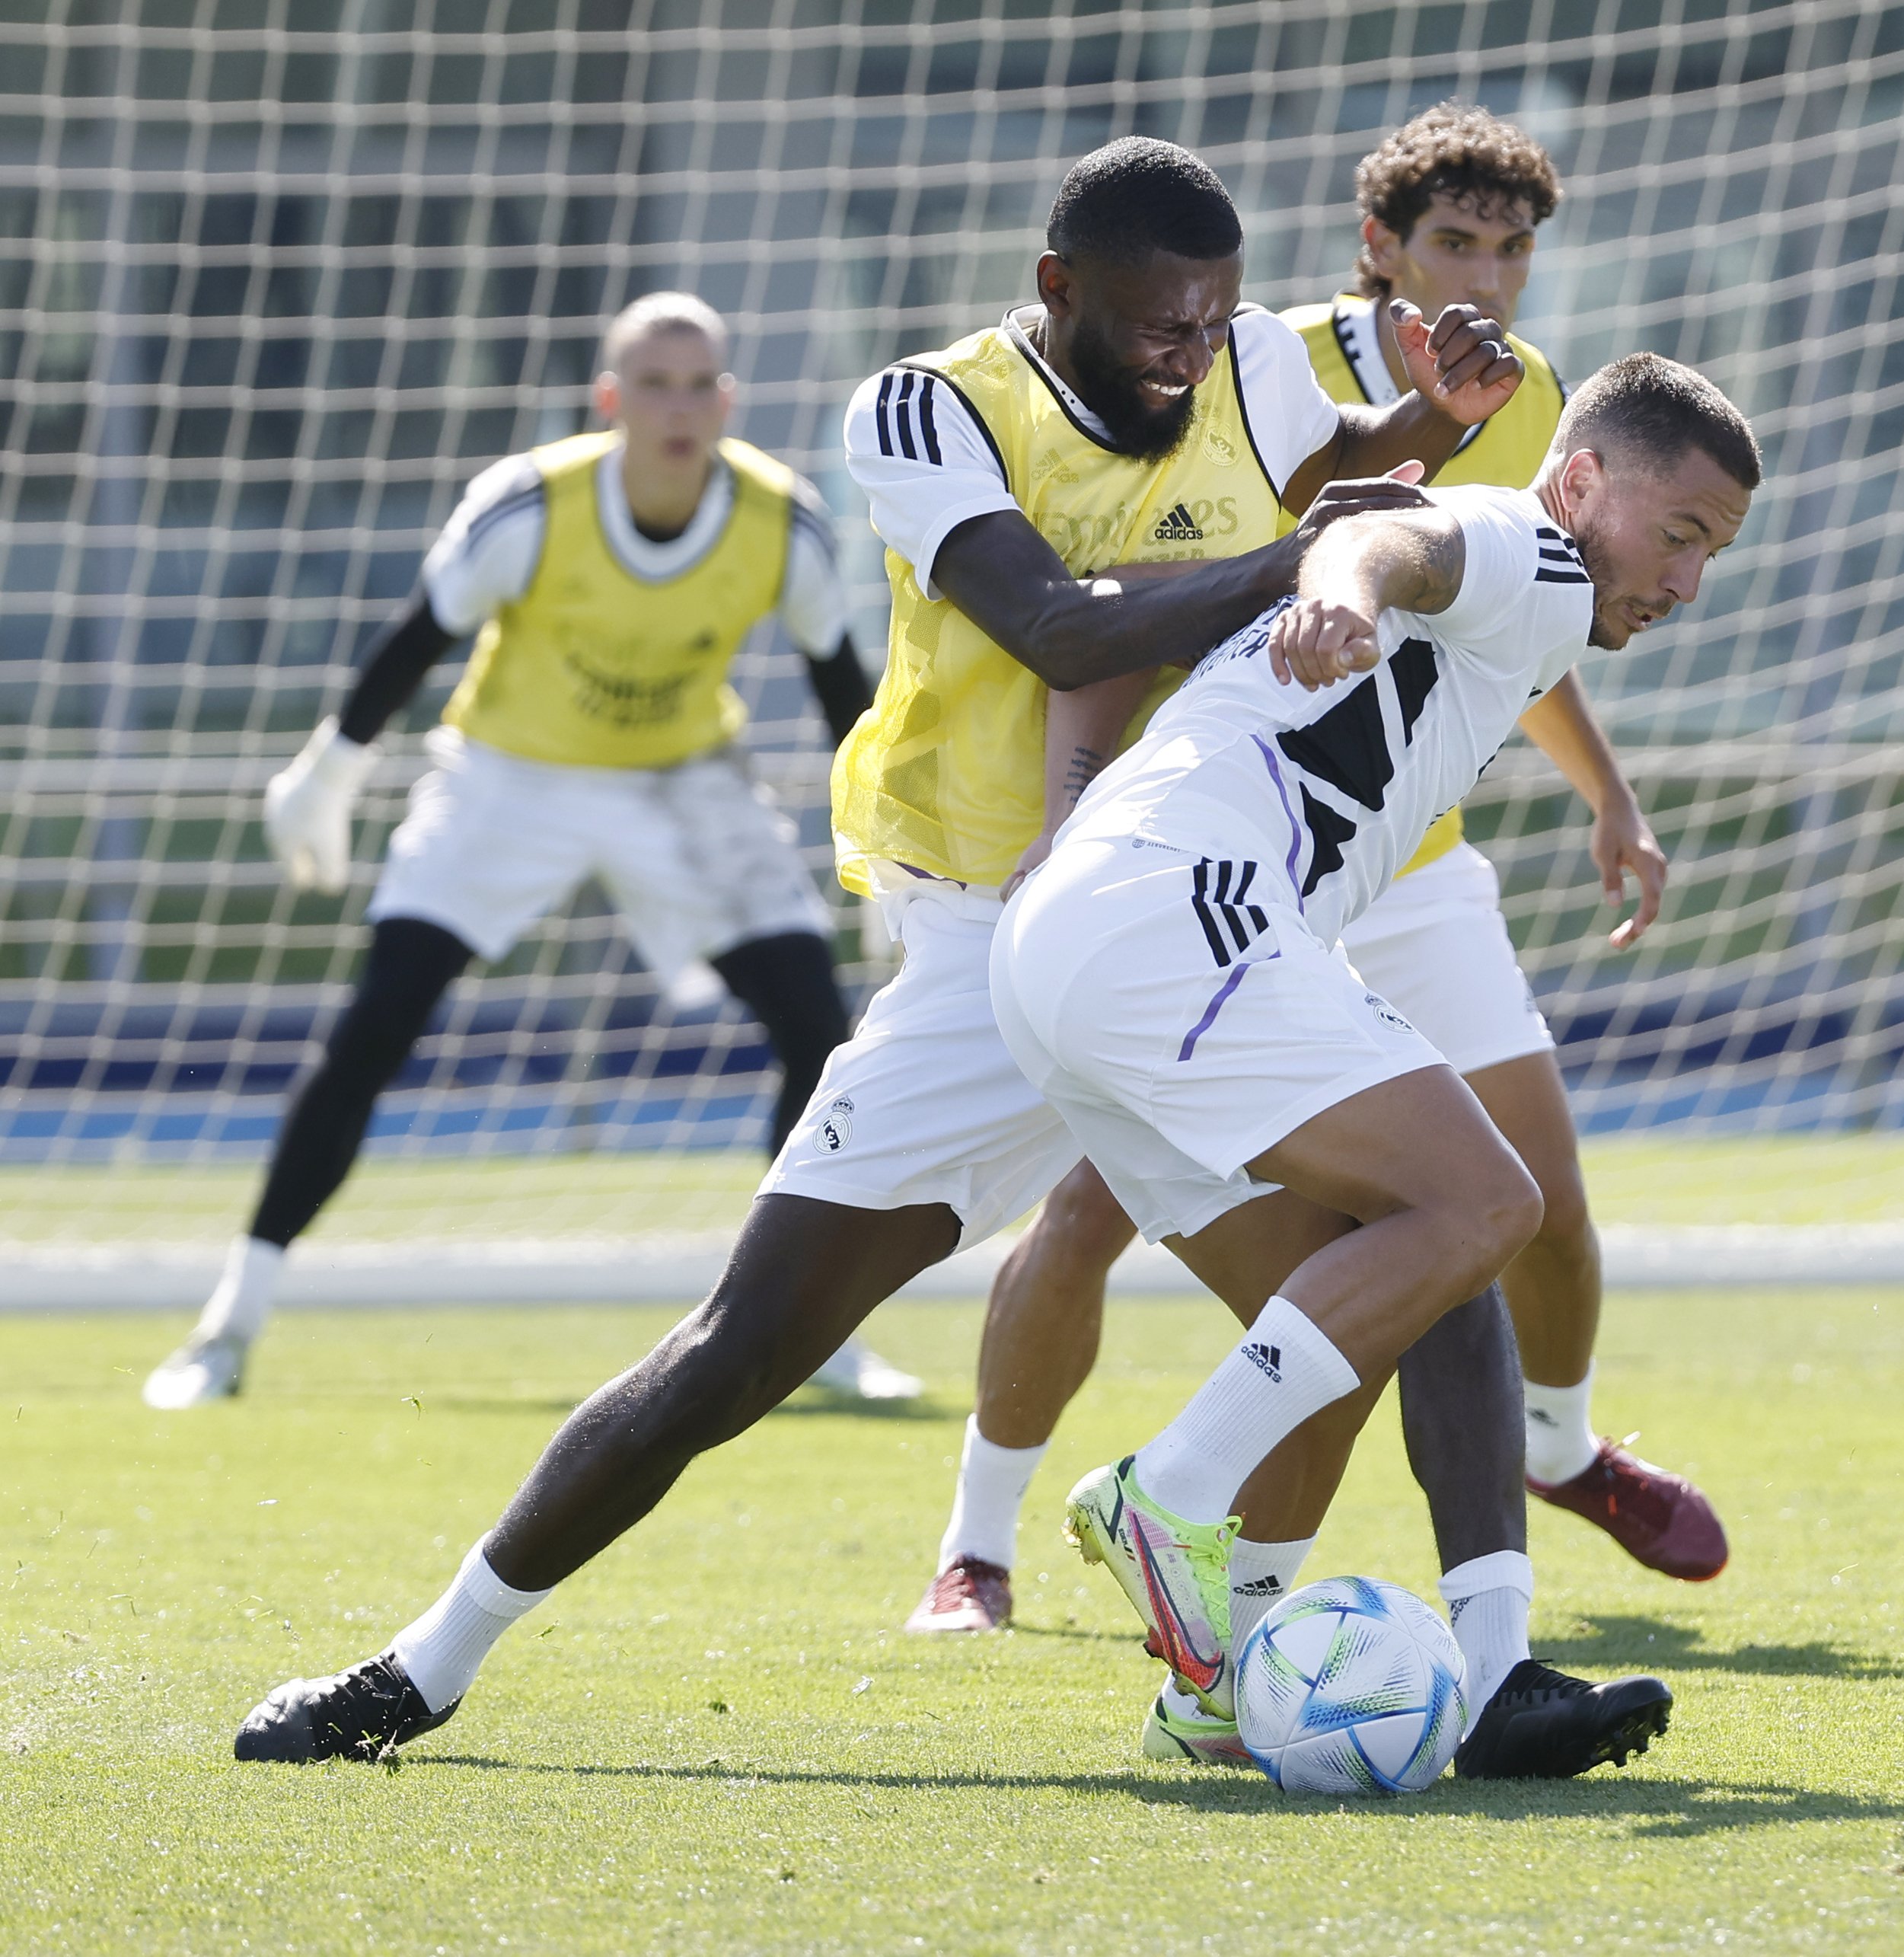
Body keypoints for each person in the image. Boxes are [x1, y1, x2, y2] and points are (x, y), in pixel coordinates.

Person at [229, 139, 1622, 1779]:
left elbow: (1334, 484)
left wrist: (1417, 440)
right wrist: (1303, 562)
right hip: (980, 931)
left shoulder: (1247, 365)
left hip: (1188, 914)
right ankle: (419, 1667)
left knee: (1432, 1240)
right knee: (740, 1349)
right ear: (1057, 296)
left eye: (1215, 322)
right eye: (1159, 328)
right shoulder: (925, 409)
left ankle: (1477, 1672)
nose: (1193, 354)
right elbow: (1058, 625)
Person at [907, 105, 1723, 1654]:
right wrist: (1084, 799)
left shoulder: (1543, 409)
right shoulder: (1239, 355)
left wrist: (1606, 789)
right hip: (1201, 875)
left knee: (1460, 1238)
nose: (1487, 273)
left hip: (1358, 877)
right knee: (1325, 1214)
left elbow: (1514, 619)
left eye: (1512, 245)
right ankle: (1002, 1534)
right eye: (1456, 242)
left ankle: (1289, 1628)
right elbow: (1376, 550)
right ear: (1382, 251)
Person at [998, 350, 1760, 1777]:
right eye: (1680, 535)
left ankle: (1393, 1678)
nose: (1688, 583)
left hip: (1094, 944)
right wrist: (1340, 589)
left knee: (1408, 1283)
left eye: (1711, 554)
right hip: (1180, 905)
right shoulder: (1525, 542)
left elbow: (1428, 575)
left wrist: (1608, 793)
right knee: (1491, 1200)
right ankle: (1168, 1497)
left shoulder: (1530, 612)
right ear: (1585, 480)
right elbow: (1385, 537)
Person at [142, 293, 920, 1411]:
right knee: (377, 1024)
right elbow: (420, 634)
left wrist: (879, 842)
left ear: (728, 401)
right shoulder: (528, 504)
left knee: (817, 1027)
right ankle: (226, 1329)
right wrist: (327, 772)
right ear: (608, 400)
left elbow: (840, 687)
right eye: (654, 384)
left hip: (683, 784)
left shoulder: (779, 518)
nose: (678, 407)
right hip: (508, 777)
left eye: (699, 384)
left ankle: (811, 1331)